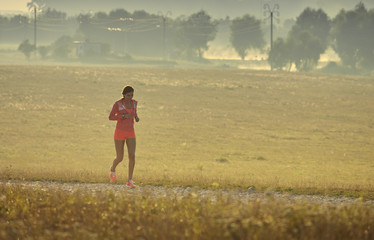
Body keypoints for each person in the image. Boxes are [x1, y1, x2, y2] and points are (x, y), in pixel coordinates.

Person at [108, 86, 140, 188]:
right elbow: (111, 117)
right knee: (120, 157)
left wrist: (136, 117)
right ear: (124, 95)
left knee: (132, 155)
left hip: (131, 132)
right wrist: (122, 116)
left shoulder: (134, 103)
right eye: (128, 95)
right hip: (119, 132)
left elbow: (134, 113)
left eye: (131, 95)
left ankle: (130, 180)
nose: (130, 97)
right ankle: (112, 169)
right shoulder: (118, 104)